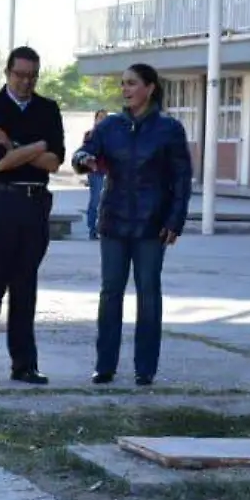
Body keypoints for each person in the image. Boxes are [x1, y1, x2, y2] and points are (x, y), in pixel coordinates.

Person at [72, 63, 191, 387]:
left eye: (132, 83)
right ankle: (105, 365)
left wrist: (175, 220)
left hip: (152, 224)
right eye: (123, 84)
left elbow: (182, 179)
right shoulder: (110, 126)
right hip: (114, 221)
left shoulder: (169, 129)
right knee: (110, 292)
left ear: (150, 87)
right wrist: (83, 159)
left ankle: (145, 368)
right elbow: (84, 152)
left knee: (149, 294)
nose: (125, 89)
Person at [0, 46, 65, 387]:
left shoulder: (48, 109)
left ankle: (24, 364)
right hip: (1, 203)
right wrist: (34, 147)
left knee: (25, 287)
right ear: (7, 73)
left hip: (34, 204)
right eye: (19, 75)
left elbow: (54, 162)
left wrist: (15, 146)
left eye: (32, 77)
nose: (25, 82)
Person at [80, 109, 108, 240]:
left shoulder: (112, 135)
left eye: (104, 117)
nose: (102, 120)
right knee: (95, 200)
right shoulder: (90, 135)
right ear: (95, 119)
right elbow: (84, 153)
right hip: (95, 172)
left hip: (108, 171)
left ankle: (102, 228)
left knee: (106, 201)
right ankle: (92, 229)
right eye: (100, 117)